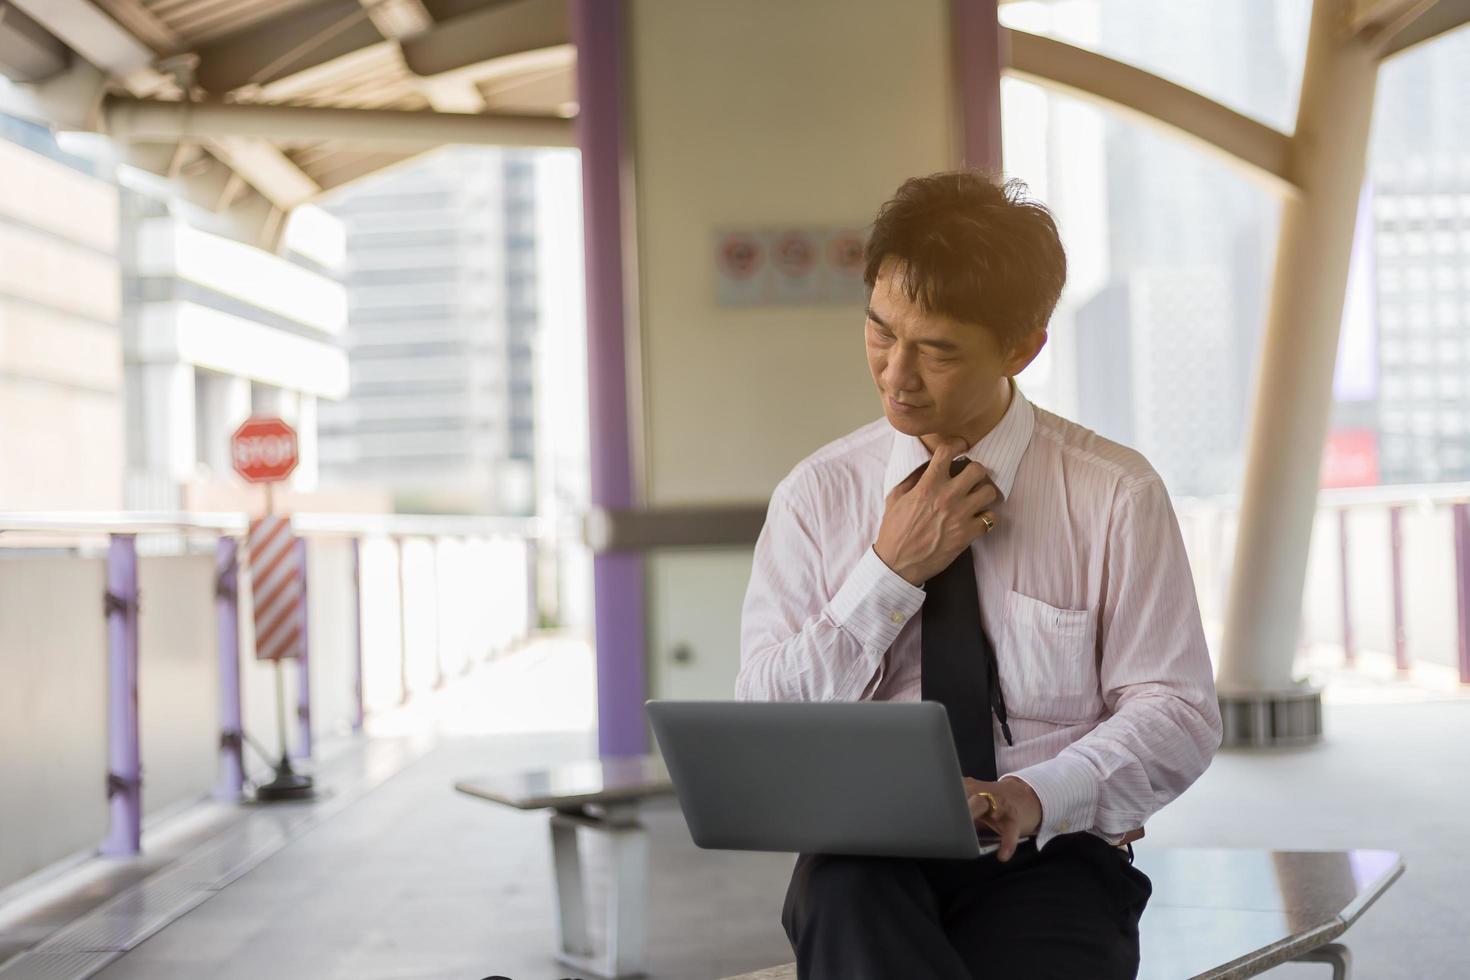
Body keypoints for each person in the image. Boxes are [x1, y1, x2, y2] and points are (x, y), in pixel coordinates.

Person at [735, 170, 1223, 979]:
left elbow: (1176, 711)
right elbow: (764, 721)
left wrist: (1033, 795)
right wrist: (889, 572)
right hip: (866, 856)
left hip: (1052, 852)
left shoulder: (1114, 494)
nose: (896, 375)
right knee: (845, 898)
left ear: (1022, 347)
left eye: (937, 350)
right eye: (881, 333)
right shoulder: (817, 498)